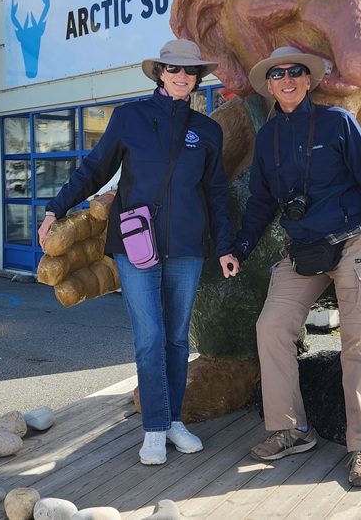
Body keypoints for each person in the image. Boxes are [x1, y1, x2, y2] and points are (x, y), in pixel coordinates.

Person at [38, 39, 240, 465]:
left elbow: (216, 195)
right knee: (150, 338)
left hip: (187, 247)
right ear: (160, 73)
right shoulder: (129, 117)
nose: (181, 76)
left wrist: (225, 246)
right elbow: (94, 168)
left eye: (189, 71)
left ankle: (174, 420)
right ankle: (154, 427)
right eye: (173, 69)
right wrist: (55, 208)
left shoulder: (207, 131)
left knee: (177, 338)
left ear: (197, 78)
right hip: (135, 246)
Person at [231, 47, 361, 487]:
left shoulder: (337, 122)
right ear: (269, 86)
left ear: (308, 81)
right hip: (302, 249)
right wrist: (240, 248)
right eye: (278, 74)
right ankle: (291, 430)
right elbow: (261, 202)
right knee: (271, 327)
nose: (286, 79)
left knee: (357, 340)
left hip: (351, 242)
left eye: (295, 72)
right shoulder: (267, 138)